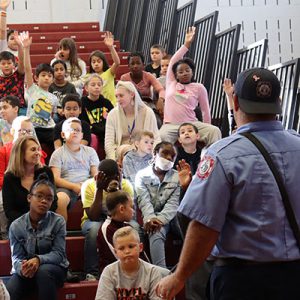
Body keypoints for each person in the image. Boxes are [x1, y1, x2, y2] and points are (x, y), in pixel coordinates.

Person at [156, 67, 300, 300]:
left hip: (242, 280)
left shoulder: (222, 154)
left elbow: (204, 226)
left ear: (235, 102)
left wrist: (179, 276)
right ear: (279, 102)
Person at [5, 173, 68, 300]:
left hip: (54, 270)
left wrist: (38, 260)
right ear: (29, 198)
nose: (44, 201)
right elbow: (16, 257)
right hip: (27, 271)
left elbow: (59, 254)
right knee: (12, 287)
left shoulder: (58, 222)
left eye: (49, 198)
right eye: (39, 196)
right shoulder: (16, 226)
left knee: (43, 272)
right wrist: (22, 268)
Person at [159, 27, 221, 148]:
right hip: (170, 125)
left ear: (192, 72)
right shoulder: (171, 82)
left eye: (187, 70)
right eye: (181, 71)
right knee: (161, 137)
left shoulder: (199, 87)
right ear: (175, 74)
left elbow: (205, 111)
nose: (185, 73)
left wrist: (206, 128)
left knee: (214, 131)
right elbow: (172, 62)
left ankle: (211, 160)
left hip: (192, 124)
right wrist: (186, 44)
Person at [80, 159, 134, 280]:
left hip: (118, 218)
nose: (109, 181)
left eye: (112, 177)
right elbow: (93, 216)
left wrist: (118, 188)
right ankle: (92, 272)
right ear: (98, 176)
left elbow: (127, 213)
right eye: (105, 178)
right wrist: (99, 189)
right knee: (94, 230)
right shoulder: (88, 186)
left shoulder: (126, 185)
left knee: (134, 228)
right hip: (93, 220)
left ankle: (132, 266)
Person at [135, 141, 181, 268]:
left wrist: (159, 219)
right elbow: (144, 201)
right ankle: (161, 273)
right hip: (151, 218)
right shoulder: (142, 176)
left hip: (172, 218)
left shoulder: (178, 177)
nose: (168, 158)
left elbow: (173, 204)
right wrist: (151, 218)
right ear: (155, 154)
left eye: (172, 156)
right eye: (165, 153)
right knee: (155, 231)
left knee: (189, 228)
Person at [95, 226, 168, 300]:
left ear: (140, 247)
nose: (127, 251)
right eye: (121, 248)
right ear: (115, 252)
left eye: (131, 246)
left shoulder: (152, 272)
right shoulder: (109, 272)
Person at [49, 117, 99, 221]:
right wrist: (74, 186)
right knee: (60, 200)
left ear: (82, 135)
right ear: (63, 135)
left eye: (78, 130)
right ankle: (61, 233)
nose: (75, 132)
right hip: (66, 186)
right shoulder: (57, 154)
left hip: (87, 185)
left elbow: (96, 175)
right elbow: (55, 178)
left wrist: (85, 185)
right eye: (71, 130)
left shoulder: (90, 152)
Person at [21, 31, 58, 154]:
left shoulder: (53, 98)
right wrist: (26, 48)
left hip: (48, 128)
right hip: (33, 128)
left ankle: (58, 161)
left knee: (57, 136)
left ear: (52, 79)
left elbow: (52, 116)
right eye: (43, 75)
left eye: (49, 76)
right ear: (36, 78)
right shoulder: (33, 89)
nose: (46, 78)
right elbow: (27, 68)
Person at [105, 80, 159, 160]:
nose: (118, 99)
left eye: (121, 96)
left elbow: (155, 138)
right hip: (120, 155)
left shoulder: (148, 112)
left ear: (132, 95)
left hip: (143, 154)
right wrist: (114, 161)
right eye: (116, 96)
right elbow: (109, 143)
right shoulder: (112, 114)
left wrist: (153, 158)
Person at [96, 180, 135, 274]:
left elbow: (140, 254)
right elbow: (119, 258)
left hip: (132, 271)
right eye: (131, 207)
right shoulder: (106, 229)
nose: (133, 211)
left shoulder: (128, 227)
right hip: (114, 276)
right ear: (122, 209)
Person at [80, 73, 114, 159]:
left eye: (99, 85)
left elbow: (112, 119)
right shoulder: (82, 102)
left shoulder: (106, 102)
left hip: (105, 132)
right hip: (90, 132)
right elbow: (83, 122)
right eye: (93, 85)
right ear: (86, 88)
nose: (96, 87)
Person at [87, 31, 120, 106]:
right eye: (93, 62)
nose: (96, 64)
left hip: (112, 106)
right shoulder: (89, 77)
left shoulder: (109, 73)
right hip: (98, 108)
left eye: (99, 61)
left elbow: (117, 62)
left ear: (103, 62)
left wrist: (111, 47)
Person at [0, 35, 26, 113]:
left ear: (14, 64)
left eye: (9, 63)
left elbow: (22, 61)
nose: (6, 66)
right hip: (2, 110)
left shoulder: (18, 75)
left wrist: (20, 46)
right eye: (3, 64)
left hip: (19, 109)